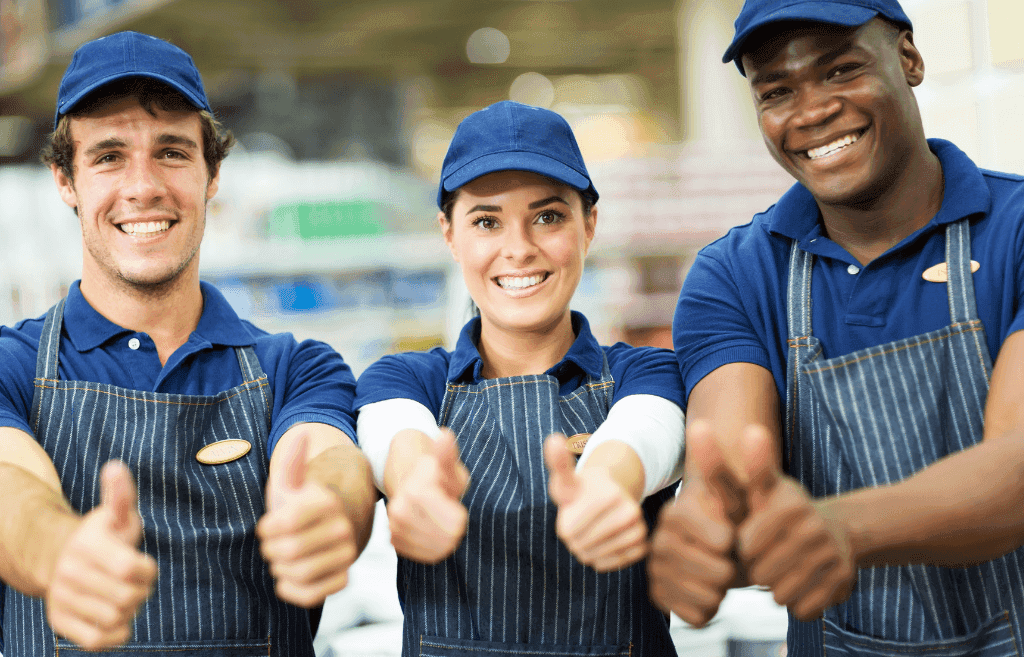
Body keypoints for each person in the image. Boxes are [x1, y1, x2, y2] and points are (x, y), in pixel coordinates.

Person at [649, 0, 1024, 655]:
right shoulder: (736, 276)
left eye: (840, 70)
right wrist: (709, 529)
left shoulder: (1015, 231)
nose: (811, 110)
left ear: (907, 57)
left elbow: (1015, 470)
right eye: (777, 90)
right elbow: (730, 464)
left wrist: (842, 527)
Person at [0, 31, 376, 655]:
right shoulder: (11, 365)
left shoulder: (294, 368)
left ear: (212, 174)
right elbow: (9, 482)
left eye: (171, 152)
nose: (143, 186)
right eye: (108, 156)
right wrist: (59, 550)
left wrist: (328, 512)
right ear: (65, 180)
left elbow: (325, 458)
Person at [354, 100, 686, 656]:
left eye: (548, 216)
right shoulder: (407, 379)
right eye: (486, 221)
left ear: (590, 224)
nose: (519, 249)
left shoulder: (645, 371)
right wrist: (416, 487)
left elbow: (645, 432)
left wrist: (607, 483)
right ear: (449, 235)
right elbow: (397, 436)